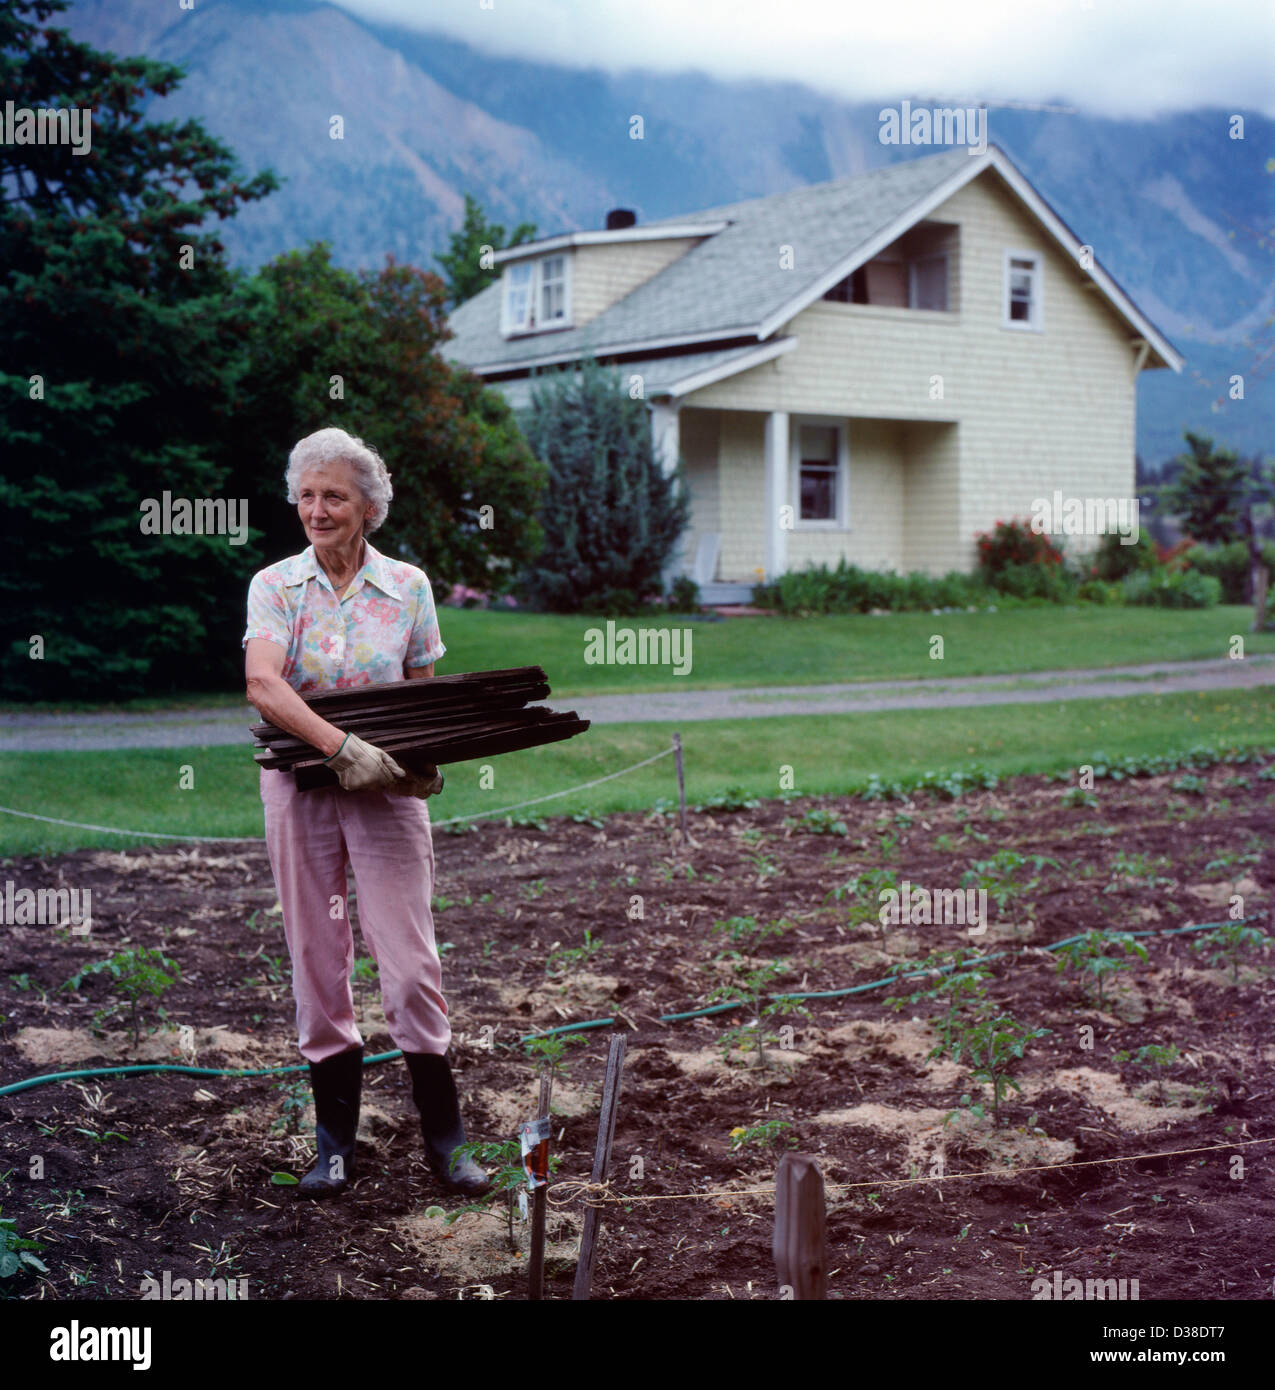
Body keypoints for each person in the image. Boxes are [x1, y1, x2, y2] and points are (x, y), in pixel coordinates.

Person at [242, 426, 490, 1199]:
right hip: (299, 788)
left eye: (334, 496)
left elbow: (423, 693)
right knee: (318, 957)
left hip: (383, 793)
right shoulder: (276, 586)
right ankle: (334, 1151)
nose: (317, 510)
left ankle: (446, 1145)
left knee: (411, 965)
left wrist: (422, 766)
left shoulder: (408, 588)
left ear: (368, 508)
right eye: (307, 495)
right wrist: (338, 746)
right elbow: (264, 685)